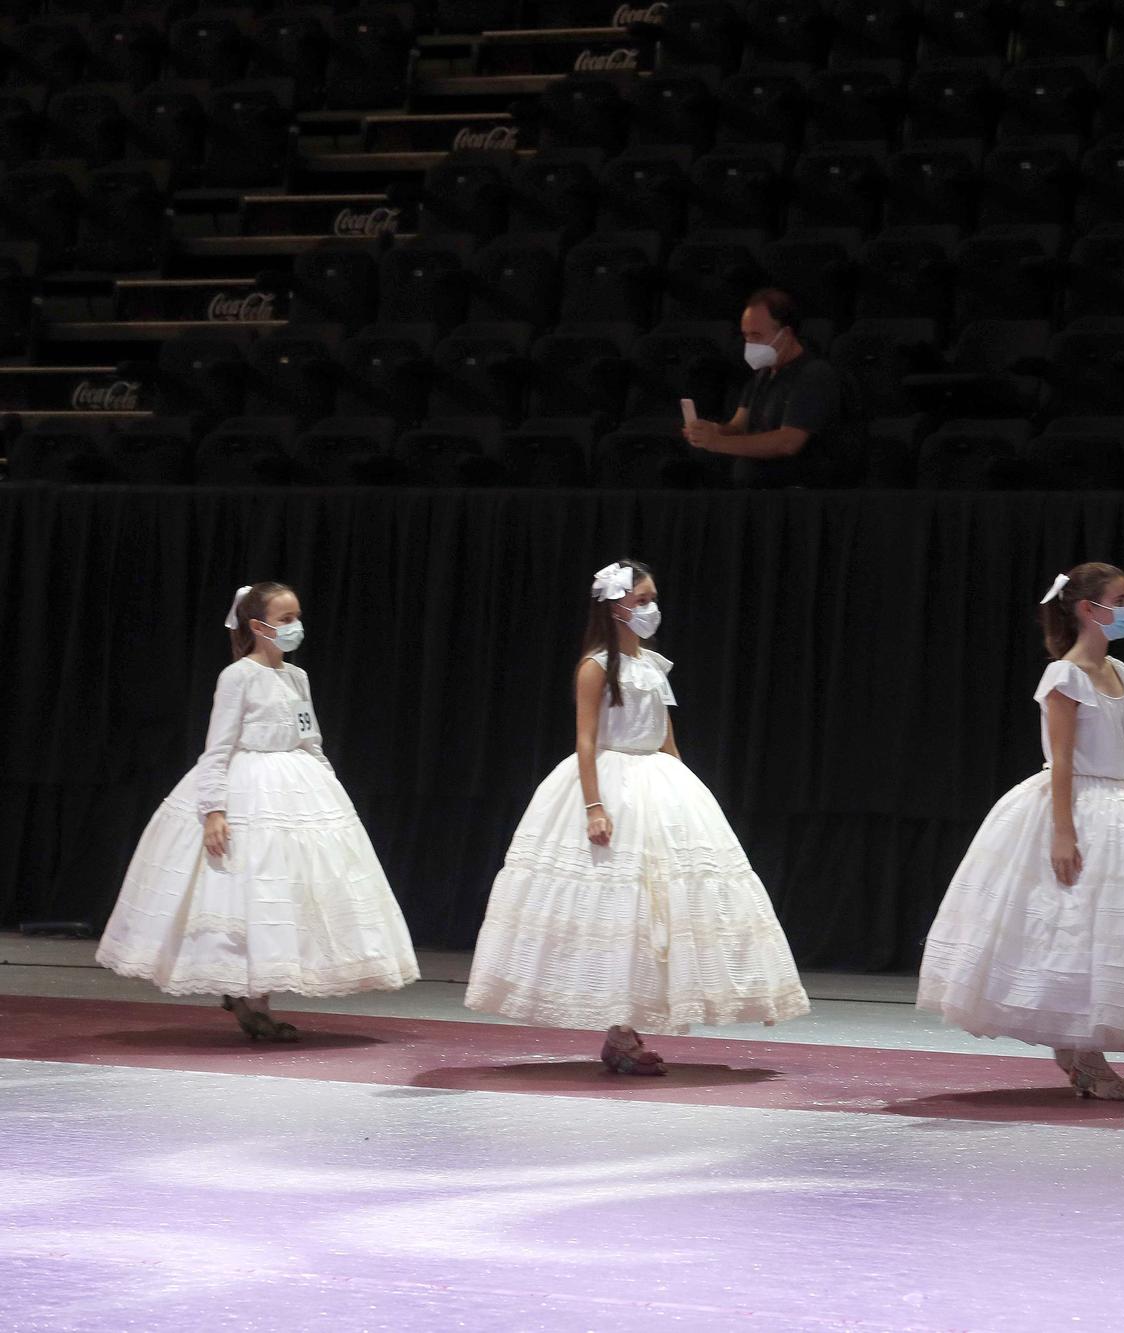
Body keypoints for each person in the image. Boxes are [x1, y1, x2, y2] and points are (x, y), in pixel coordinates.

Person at [918, 562, 1124, 1100]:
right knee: (1074, 927)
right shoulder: (1065, 675)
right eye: (1118, 600)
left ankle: (1080, 1050)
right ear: (1087, 609)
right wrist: (1063, 832)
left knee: (1118, 932)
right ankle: (1087, 1057)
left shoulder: (1119, 670)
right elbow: (1062, 760)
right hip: (1080, 802)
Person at [464, 560, 809, 1074]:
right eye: (641, 601)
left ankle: (631, 1024)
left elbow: (665, 735)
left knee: (662, 906)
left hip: (658, 785)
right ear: (615, 606)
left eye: (652, 600)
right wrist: (594, 805)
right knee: (614, 905)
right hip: (613, 781)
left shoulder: (652, 664)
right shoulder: (596, 666)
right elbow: (585, 740)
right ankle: (620, 1032)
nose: (651, 609)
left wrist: (687, 795)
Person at [97, 582, 419, 1040]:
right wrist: (213, 809)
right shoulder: (238, 677)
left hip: (296, 788)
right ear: (257, 626)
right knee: (248, 892)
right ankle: (252, 1002)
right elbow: (218, 748)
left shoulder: (297, 677)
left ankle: (255, 998)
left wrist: (329, 790)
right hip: (249, 788)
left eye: (296, 617)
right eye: (285, 619)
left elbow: (311, 739)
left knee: (283, 894)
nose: (295, 626)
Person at [683, 288, 853, 488]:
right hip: (756, 494)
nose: (750, 344)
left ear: (786, 333)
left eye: (757, 335)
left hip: (796, 497)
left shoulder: (813, 374)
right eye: (746, 336)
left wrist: (717, 443)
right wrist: (715, 431)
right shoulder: (762, 375)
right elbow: (738, 426)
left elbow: (788, 442)